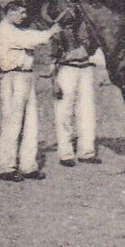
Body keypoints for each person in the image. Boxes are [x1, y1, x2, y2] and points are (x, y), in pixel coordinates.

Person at [0, 0, 61, 182]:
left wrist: (49, 32)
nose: (24, 15)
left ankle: (28, 166)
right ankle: (7, 167)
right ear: (9, 12)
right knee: (13, 124)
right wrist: (51, 31)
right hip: (13, 77)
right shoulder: (5, 31)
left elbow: (28, 35)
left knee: (30, 123)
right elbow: (29, 40)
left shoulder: (14, 29)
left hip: (26, 76)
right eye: (20, 12)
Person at [49, 23, 100, 168]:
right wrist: (54, 81)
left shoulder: (88, 26)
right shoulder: (59, 28)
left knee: (87, 111)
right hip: (67, 69)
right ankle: (65, 154)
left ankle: (87, 152)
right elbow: (53, 57)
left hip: (85, 68)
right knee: (64, 111)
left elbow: (94, 46)